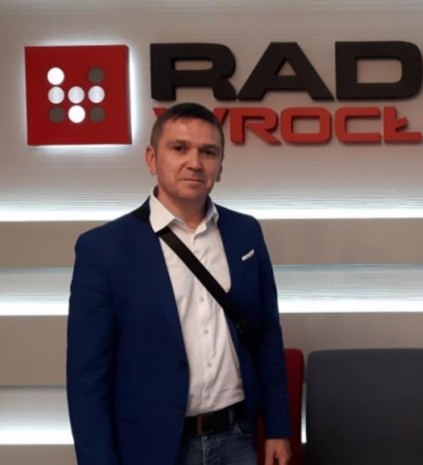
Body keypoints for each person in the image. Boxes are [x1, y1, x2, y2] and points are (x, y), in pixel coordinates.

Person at [67, 102, 292, 465]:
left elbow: (267, 336)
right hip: (151, 447)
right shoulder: (104, 249)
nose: (195, 162)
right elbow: (87, 377)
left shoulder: (245, 232)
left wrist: (279, 428)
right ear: (152, 159)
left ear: (220, 166)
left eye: (208, 152)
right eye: (179, 148)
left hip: (238, 439)